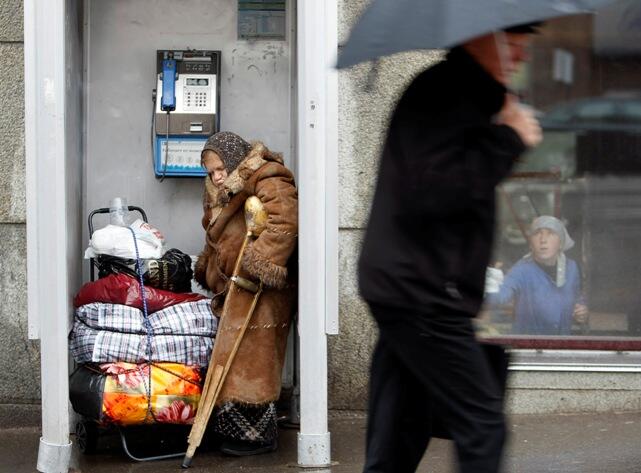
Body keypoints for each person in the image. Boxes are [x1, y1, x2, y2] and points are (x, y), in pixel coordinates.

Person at [357, 24, 543, 473]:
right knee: (482, 426)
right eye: (513, 39)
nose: (521, 52)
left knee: (399, 435)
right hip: (422, 292)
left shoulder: (465, 94)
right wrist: (510, 138)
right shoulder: (447, 94)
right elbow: (436, 193)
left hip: (410, 284)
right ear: (481, 36)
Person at [194, 131, 298, 456]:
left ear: (235, 159)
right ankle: (234, 431)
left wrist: (257, 264)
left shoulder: (266, 174)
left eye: (221, 167)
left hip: (262, 292)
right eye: (211, 172)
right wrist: (208, 271)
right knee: (232, 363)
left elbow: (284, 219)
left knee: (253, 364)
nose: (217, 175)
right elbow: (216, 241)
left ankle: (257, 436)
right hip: (236, 288)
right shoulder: (220, 194)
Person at [485, 216, 588, 335]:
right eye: (537, 233)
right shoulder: (521, 270)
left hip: (562, 346)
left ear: (561, 242)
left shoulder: (571, 268)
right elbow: (498, 298)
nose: (543, 239)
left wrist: (582, 311)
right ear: (531, 244)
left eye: (550, 233)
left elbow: (578, 297)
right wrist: (490, 281)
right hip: (529, 347)